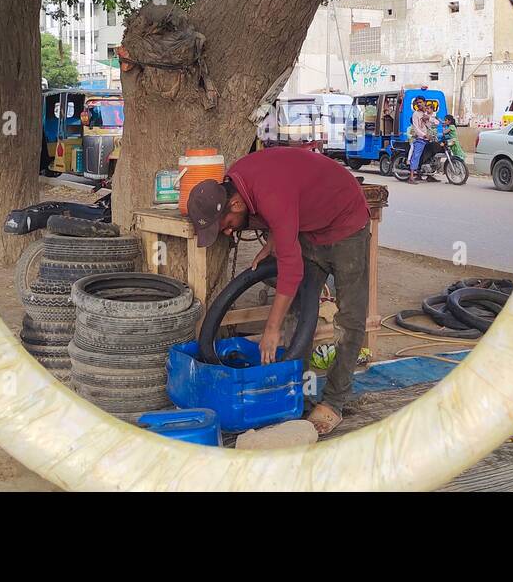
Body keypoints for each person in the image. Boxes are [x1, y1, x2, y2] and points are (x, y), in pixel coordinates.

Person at [186, 147, 370, 435]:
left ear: (234, 204)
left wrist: (270, 329)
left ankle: (334, 400)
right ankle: (299, 394)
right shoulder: (239, 183)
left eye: (225, 226)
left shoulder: (266, 192)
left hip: (345, 223)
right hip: (310, 228)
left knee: (350, 317)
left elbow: (291, 267)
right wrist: (273, 242)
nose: (226, 232)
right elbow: (287, 198)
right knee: (299, 316)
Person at [406, 100, 438, 183]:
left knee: (430, 155)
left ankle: (429, 175)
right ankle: (411, 177)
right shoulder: (415, 114)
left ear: (424, 103)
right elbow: (416, 128)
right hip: (419, 139)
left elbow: (436, 122)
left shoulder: (426, 113)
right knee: (416, 156)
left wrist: (429, 118)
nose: (419, 104)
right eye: (417, 103)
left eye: (420, 102)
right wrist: (424, 135)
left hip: (428, 139)